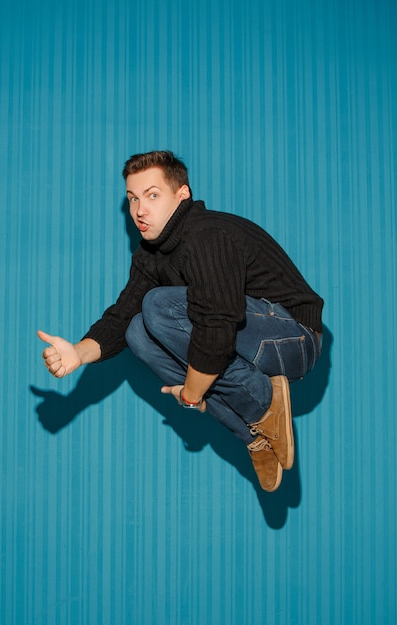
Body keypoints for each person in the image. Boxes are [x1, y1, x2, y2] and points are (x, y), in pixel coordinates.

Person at [38, 150, 323, 492]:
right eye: (132, 199)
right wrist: (79, 353)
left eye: (152, 195)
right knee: (137, 331)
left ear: (182, 194)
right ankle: (254, 430)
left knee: (159, 305)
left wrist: (191, 394)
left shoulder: (208, 234)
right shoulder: (151, 256)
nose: (139, 210)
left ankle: (261, 400)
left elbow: (218, 323)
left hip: (293, 339)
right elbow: (122, 313)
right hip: (246, 340)